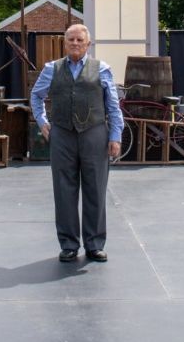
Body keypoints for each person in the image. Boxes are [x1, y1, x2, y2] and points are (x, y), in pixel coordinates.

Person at [30, 24, 123, 263]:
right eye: (70, 39)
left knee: (96, 189)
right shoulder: (52, 68)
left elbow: (113, 105)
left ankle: (94, 244)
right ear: (65, 42)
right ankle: (69, 244)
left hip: (94, 133)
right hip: (62, 135)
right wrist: (42, 121)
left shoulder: (102, 69)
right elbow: (36, 95)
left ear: (88, 44)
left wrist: (115, 136)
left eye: (79, 40)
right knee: (64, 190)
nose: (75, 43)